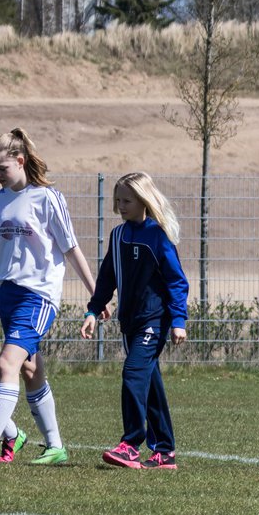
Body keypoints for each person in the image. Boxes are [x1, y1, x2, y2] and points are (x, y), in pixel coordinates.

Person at [0, 128, 102, 466]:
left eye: (2, 169)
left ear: (20, 161)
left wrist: (96, 296)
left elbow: (71, 248)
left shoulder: (47, 198)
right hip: (7, 293)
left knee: (6, 364)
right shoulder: (1, 198)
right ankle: (52, 445)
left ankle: (9, 433)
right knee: (30, 369)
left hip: (38, 296)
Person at [81, 172, 189, 470]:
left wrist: (178, 319)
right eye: (117, 200)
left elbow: (176, 282)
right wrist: (93, 310)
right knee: (150, 383)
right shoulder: (118, 236)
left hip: (154, 321)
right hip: (129, 322)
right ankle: (164, 451)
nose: (121, 205)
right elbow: (107, 278)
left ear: (144, 200)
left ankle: (130, 445)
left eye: (127, 200)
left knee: (133, 373)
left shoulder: (157, 235)